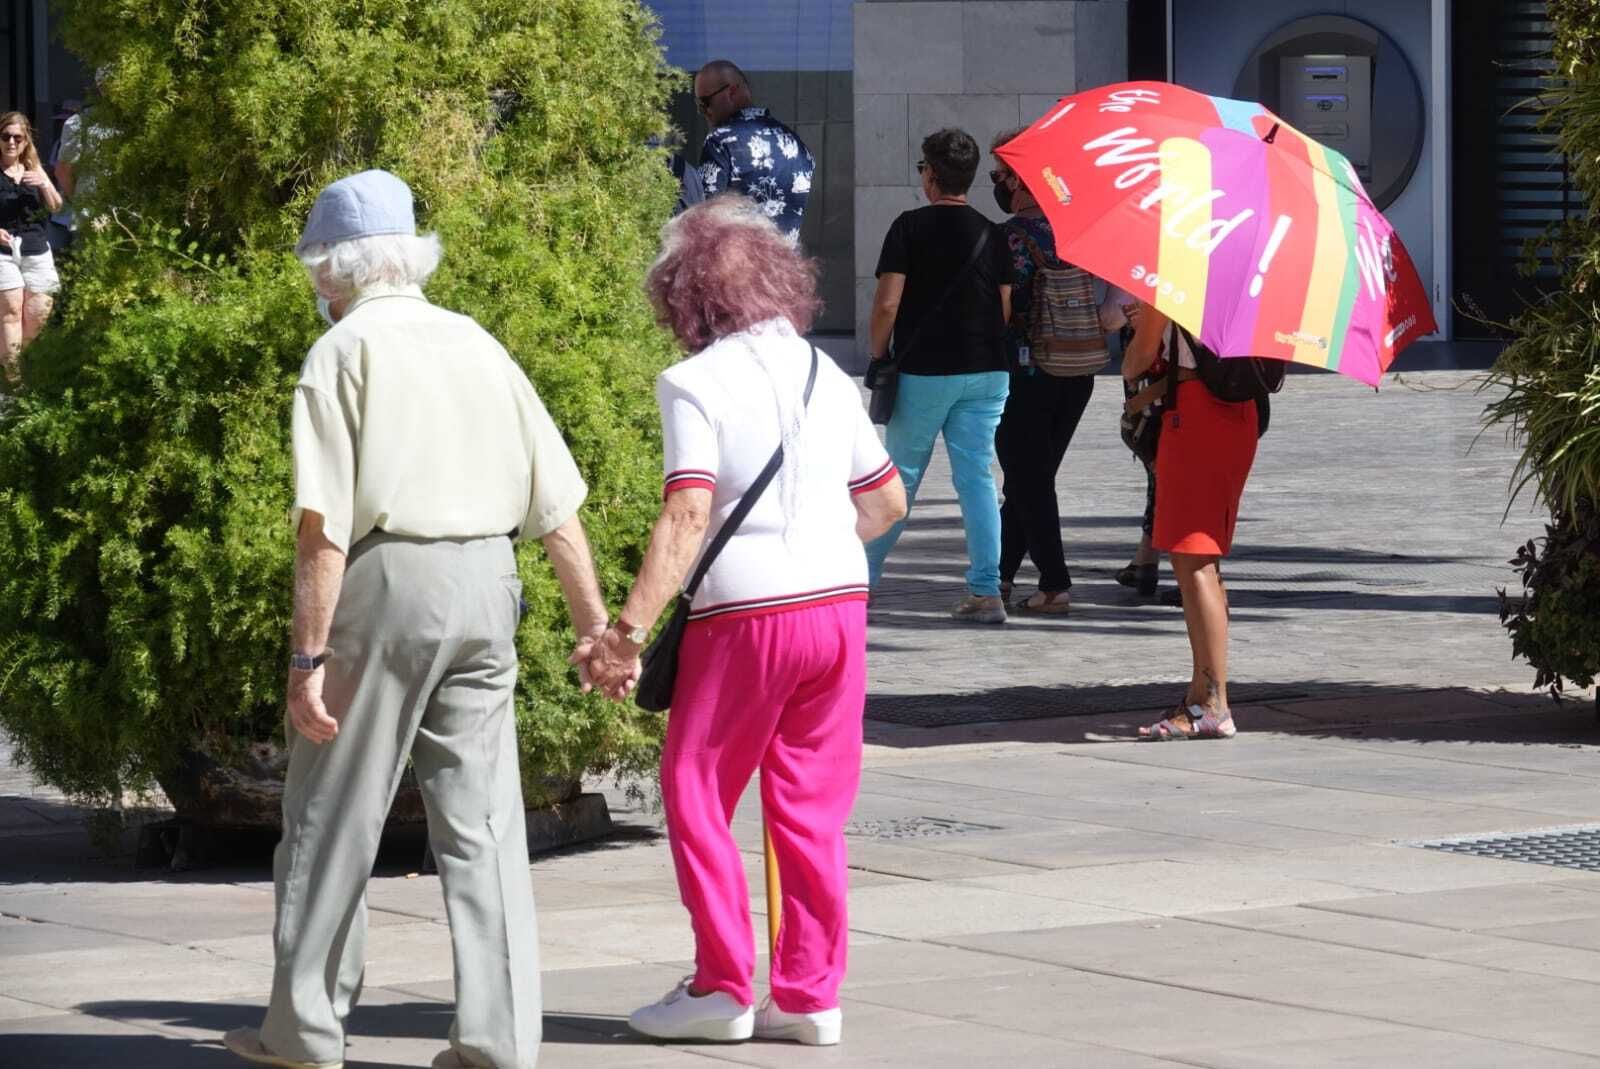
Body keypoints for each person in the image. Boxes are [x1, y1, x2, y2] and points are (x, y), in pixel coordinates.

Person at [224, 170, 610, 1069]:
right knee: (484, 826)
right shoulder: (476, 341)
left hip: (388, 584)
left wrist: (305, 656)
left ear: (332, 267)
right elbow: (558, 506)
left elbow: (323, 529)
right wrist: (594, 626)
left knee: (330, 813)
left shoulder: (342, 353)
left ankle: (305, 1029)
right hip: (488, 582)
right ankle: (500, 1040)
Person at [580, 196, 906, 1047]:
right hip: (839, 606)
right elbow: (887, 500)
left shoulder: (692, 383)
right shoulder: (823, 372)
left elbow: (687, 516)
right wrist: (820, 547)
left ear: (683, 298)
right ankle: (807, 994)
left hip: (747, 617)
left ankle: (722, 981)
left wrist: (625, 633)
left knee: (696, 789)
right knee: (810, 807)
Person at [864, 128, 1013, 623]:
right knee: (977, 478)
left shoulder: (909, 227)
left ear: (930, 174)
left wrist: (878, 353)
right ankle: (987, 591)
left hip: (925, 369)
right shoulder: (993, 234)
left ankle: (861, 582)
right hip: (988, 369)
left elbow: (888, 303)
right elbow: (1005, 307)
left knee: (900, 477)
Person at [1119, 299, 1257, 740]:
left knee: (1193, 557)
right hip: (1236, 414)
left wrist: (1148, 323)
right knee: (1202, 559)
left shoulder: (1179, 278)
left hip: (1196, 416)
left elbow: (1133, 363)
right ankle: (1203, 689)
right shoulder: (1248, 282)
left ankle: (1212, 703)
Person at [989, 128, 1108, 614]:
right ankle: (996, 578)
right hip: (1078, 369)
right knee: (1027, 477)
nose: (996, 185)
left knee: (1028, 478)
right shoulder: (1078, 232)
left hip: (1027, 373)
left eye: (999, 175)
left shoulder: (1008, 240)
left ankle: (1055, 582)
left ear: (1019, 181)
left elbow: (999, 307)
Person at [693, 60, 815, 241]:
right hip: (786, 266)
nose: (703, 111)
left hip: (738, 266)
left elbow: (704, 220)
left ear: (731, 92)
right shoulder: (797, 144)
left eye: (705, 102)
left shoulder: (720, 141)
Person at [0, 112, 62, 383]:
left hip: (37, 248)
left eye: (17, 137)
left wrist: (45, 183)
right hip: (3, 253)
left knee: (39, 312)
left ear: (26, 141)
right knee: (11, 312)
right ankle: (13, 382)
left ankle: (12, 359)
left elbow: (57, 206)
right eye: (5, 137)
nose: (11, 142)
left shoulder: (35, 170)